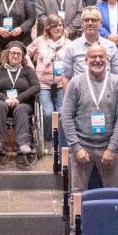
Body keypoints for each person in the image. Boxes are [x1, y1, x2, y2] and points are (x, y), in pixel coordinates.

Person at [63, 43, 118, 201]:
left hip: (108, 149)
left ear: (107, 60)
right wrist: (76, 147)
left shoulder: (117, 82)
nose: (97, 60)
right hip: (82, 147)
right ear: (86, 60)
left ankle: (112, 225)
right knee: (77, 195)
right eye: (93, 57)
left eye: (101, 57)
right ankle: (76, 226)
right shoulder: (75, 83)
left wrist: (113, 148)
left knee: (113, 196)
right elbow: (66, 117)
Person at [0, 41, 40, 155]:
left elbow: (36, 87)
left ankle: (23, 143)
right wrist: (4, 98)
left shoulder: (28, 70)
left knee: (21, 108)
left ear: (22, 56)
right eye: (12, 53)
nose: (15, 56)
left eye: (19, 54)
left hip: (22, 103)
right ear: (7, 54)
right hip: (1, 102)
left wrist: (19, 98)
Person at [28, 14, 70, 143]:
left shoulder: (69, 44)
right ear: (48, 27)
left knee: (62, 112)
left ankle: (60, 140)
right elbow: (26, 53)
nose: (59, 28)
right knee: (48, 113)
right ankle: (47, 139)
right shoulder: (40, 41)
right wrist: (31, 70)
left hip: (60, 82)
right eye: (55, 25)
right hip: (43, 82)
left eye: (61, 25)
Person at [63, 5, 118, 76]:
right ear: (82, 23)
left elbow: (117, 76)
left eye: (93, 20)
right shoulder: (71, 47)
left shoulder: (111, 47)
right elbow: (66, 77)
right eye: (86, 20)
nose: (90, 23)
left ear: (100, 23)